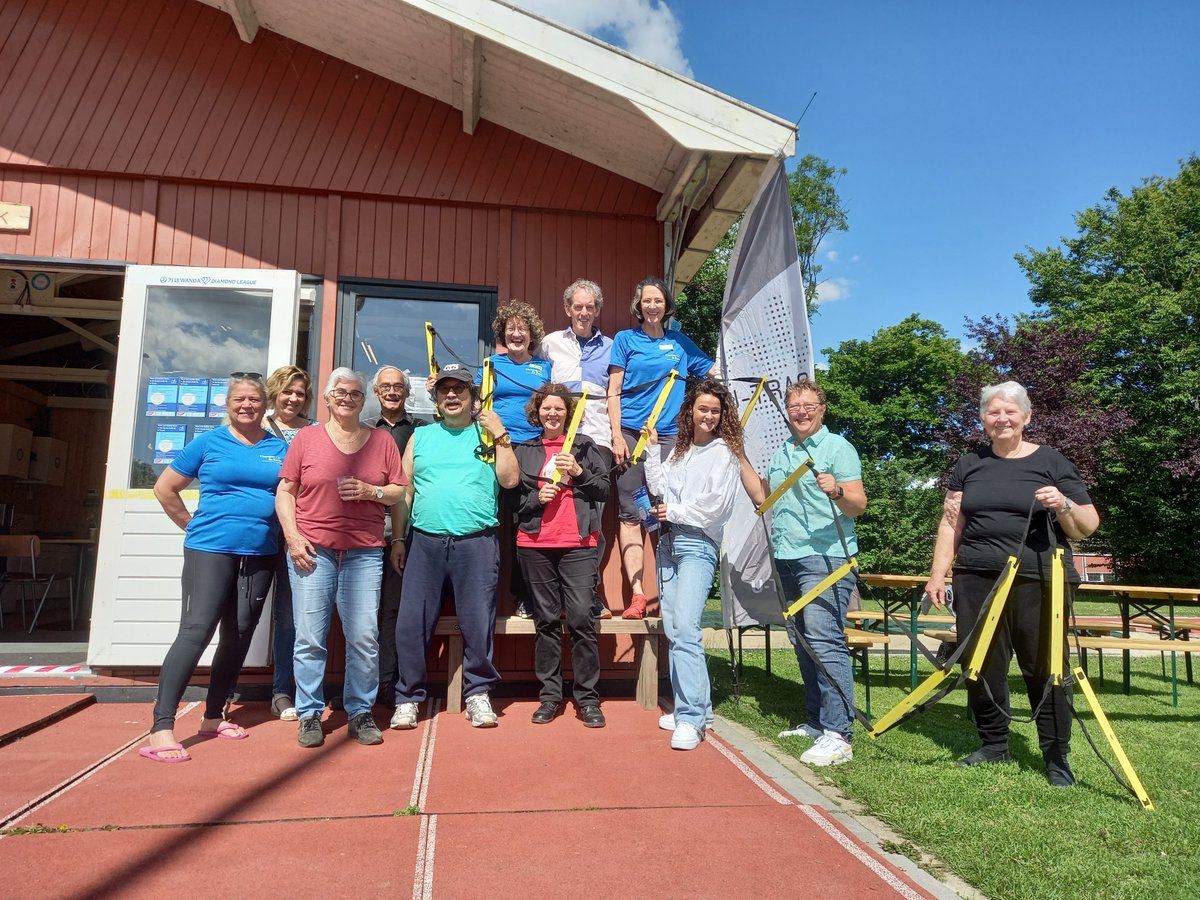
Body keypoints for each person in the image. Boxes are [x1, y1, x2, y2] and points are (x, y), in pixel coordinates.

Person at [924, 381, 1099, 786]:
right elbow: (952, 522)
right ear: (983, 419)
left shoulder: (1051, 461)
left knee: (1045, 667)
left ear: (1026, 417)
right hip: (976, 576)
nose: (1001, 419)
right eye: (993, 412)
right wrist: (938, 573)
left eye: (1010, 412)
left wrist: (1065, 503)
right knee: (981, 664)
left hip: (1039, 578)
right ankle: (994, 744)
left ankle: (1056, 756)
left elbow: (1086, 527)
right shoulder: (969, 464)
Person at [141, 373, 288, 762]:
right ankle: (161, 727)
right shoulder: (209, 442)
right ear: (228, 403)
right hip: (210, 550)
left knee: (239, 634)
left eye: (254, 399)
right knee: (196, 630)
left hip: (260, 553)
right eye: (239, 399)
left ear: (265, 404)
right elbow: (164, 488)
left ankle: (213, 715)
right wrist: (190, 524)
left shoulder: (278, 448)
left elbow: (291, 495)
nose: (247, 405)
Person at [276, 367, 407, 749]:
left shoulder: (382, 441)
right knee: (309, 638)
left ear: (362, 400)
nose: (348, 398)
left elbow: (399, 492)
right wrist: (292, 536)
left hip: (364, 551)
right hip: (313, 549)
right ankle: (310, 713)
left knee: (365, 637)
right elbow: (286, 491)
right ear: (329, 399)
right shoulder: (306, 438)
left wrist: (371, 490)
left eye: (355, 393)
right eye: (341, 392)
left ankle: (360, 710)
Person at [389, 363, 518, 729]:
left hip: (476, 543)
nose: (451, 395)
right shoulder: (422, 437)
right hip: (425, 543)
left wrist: (502, 435)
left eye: (459, 389)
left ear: (473, 397)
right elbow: (404, 492)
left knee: (477, 623)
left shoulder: (489, 434)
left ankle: (478, 694)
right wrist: (399, 538)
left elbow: (509, 481)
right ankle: (408, 696)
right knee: (411, 624)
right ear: (435, 397)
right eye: (444, 390)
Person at [644, 379, 763, 750]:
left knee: (687, 627)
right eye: (703, 409)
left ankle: (692, 720)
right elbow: (660, 487)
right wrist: (650, 451)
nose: (709, 416)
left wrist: (674, 510)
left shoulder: (726, 452)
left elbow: (717, 507)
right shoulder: (681, 451)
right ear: (690, 412)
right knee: (676, 629)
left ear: (722, 414)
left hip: (698, 544)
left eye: (715, 410)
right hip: (669, 542)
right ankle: (694, 709)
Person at [769, 377, 867, 767]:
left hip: (826, 557)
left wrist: (838, 490)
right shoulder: (783, 451)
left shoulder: (837, 447)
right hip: (787, 555)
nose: (802, 412)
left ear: (822, 410)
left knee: (825, 640)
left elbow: (859, 505)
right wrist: (739, 455)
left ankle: (839, 734)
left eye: (810, 405)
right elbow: (764, 496)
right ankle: (816, 721)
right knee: (803, 641)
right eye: (795, 406)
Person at [608, 277, 714, 619]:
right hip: (631, 435)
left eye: (658, 301)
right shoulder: (626, 340)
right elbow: (613, 390)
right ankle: (638, 596)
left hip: (670, 438)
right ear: (638, 306)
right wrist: (615, 436)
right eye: (646, 301)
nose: (652, 306)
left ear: (667, 307)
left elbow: (715, 370)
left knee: (668, 512)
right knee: (630, 514)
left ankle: (674, 592)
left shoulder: (679, 343)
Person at [512, 383, 611, 727]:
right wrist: (535, 500)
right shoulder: (524, 450)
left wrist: (579, 472)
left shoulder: (584, 447)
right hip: (535, 545)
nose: (552, 413)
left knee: (583, 618)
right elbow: (511, 504)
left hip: (579, 545)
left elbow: (603, 489)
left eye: (559, 408)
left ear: (569, 412)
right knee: (547, 622)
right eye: (546, 408)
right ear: (536, 411)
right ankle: (550, 696)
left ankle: (587, 698)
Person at [540, 278, 616, 620]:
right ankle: (551, 594)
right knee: (553, 512)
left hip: (596, 440)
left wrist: (617, 437)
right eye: (578, 307)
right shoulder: (550, 344)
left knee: (592, 520)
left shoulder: (612, 346)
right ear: (567, 309)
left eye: (590, 307)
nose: (584, 312)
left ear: (597, 310)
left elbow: (616, 396)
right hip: (557, 439)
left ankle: (587, 592)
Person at [475, 300, 553, 619]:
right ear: (502, 335)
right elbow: (477, 404)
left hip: (533, 446)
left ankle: (524, 596)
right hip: (498, 447)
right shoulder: (491, 364)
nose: (516, 333)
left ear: (531, 334)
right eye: (510, 329)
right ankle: (486, 595)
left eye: (522, 328)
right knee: (497, 522)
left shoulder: (544, 368)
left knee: (528, 520)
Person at [263, 365, 313, 722]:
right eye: (287, 392)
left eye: (300, 394)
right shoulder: (257, 429)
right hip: (260, 532)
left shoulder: (313, 431)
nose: (293, 399)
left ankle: (289, 690)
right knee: (245, 615)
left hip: (299, 533)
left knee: (293, 616)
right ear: (275, 393)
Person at [370, 365, 422, 708]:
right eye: (385, 387)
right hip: (366, 529)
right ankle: (364, 684)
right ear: (376, 393)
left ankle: (390, 682)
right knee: (363, 612)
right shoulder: (363, 432)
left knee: (394, 608)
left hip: (406, 531)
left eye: (398, 387)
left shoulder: (421, 431)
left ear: (406, 392)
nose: (391, 392)